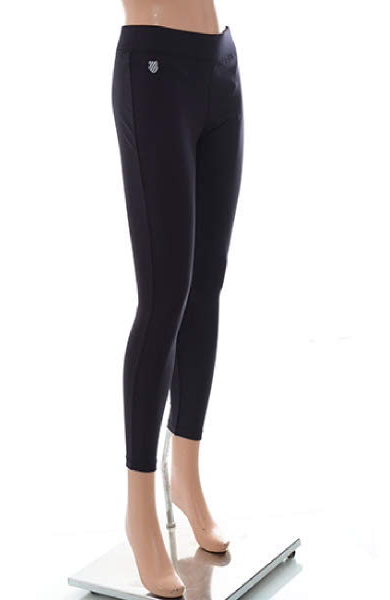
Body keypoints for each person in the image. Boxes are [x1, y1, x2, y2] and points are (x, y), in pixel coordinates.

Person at [111, 1, 244, 596]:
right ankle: (140, 507)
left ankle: (186, 477)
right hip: (155, 67)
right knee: (165, 295)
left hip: (220, 62)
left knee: (205, 287)